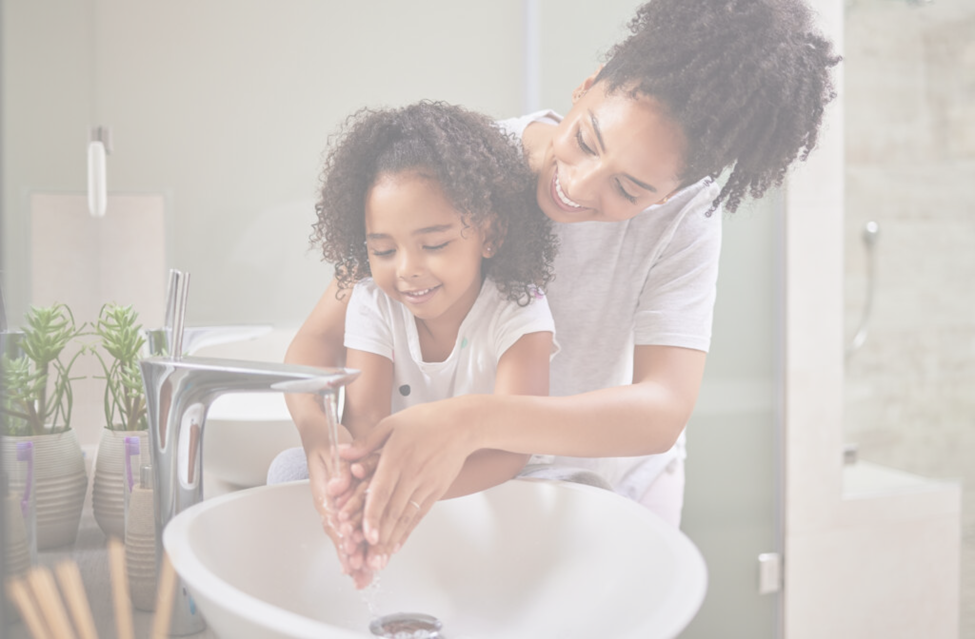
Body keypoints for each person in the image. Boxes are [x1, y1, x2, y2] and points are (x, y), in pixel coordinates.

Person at [282, 0, 840, 580]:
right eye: (586, 140)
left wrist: (473, 420)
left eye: (628, 189)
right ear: (586, 88)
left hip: (609, 484)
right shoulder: (463, 166)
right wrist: (321, 437)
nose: (575, 185)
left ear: (670, 194)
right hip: (467, 477)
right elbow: (317, 343)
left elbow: (662, 410)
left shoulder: (684, 221)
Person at [273, 101, 560, 587]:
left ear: (489, 234)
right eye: (383, 250)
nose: (406, 269)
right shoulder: (373, 302)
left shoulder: (520, 311)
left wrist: (411, 493)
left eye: (434, 245)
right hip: (396, 468)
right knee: (288, 471)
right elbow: (363, 421)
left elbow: (513, 449)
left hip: (495, 478)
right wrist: (361, 495)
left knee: (584, 490)